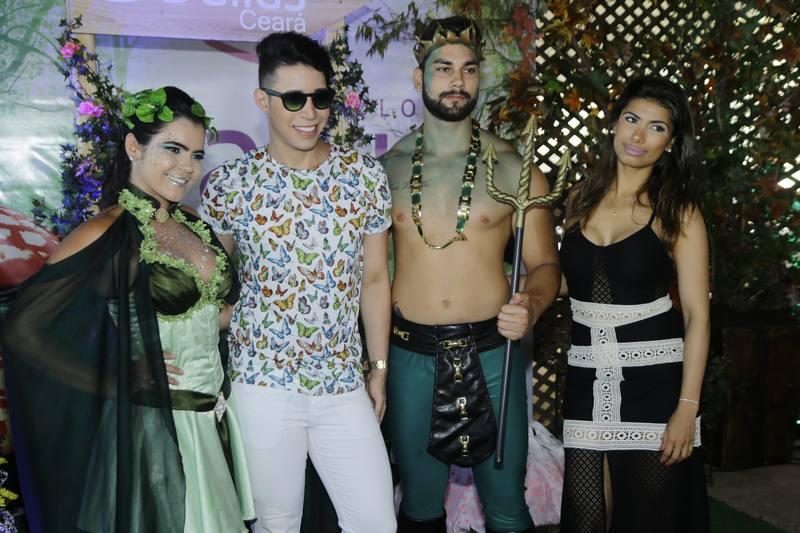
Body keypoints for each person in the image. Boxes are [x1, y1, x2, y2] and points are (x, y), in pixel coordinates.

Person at [0, 86, 255, 532]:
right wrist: (114, 375)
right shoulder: (109, 230)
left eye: (196, 154)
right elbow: (24, 330)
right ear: (134, 146)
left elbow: (206, 314)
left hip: (212, 420)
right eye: (173, 149)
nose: (187, 167)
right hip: (154, 434)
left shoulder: (192, 223)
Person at [198, 32, 396, 533]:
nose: (309, 112)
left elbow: (375, 279)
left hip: (342, 382)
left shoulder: (363, 175)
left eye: (320, 97)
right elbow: (211, 284)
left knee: (376, 523)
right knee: (276, 524)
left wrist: (377, 369)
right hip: (261, 384)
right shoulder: (230, 184)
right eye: (293, 99)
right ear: (262, 99)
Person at [380, 16, 560, 533]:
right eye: (443, 69)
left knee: (506, 508)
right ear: (420, 78)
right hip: (410, 355)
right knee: (418, 506)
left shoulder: (514, 169)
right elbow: (367, 276)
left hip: (493, 355)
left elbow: (546, 266)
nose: (457, 80)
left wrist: (531, 304)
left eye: (469, 69)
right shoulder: (386, 170)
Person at [558, 76, 710, 532]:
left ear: (671, 142)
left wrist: (687, 407)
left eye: (656, 127)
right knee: (585, 519)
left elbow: (698, 316)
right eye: (631, 119)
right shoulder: (579, 199)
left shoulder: (678, 212)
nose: (638, 136)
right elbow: (572, 280)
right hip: (586, 380)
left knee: (648, 520)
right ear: (615, 124)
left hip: (655, 387)